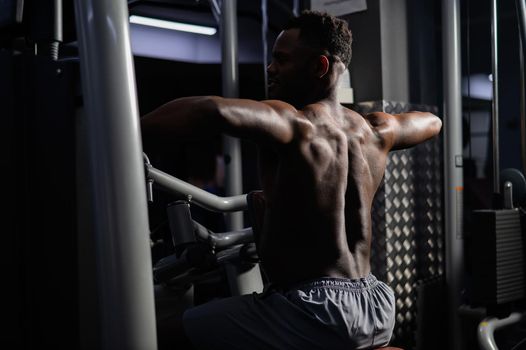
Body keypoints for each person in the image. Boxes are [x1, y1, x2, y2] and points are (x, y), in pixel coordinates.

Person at [141, 10, 442, 350]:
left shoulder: (296, 124)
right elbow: (432, 122)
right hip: (375, 303)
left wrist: (123, 129)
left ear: (320, 67)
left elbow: (210, 110)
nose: (271, 69)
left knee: (157, 335)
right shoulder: (374, 132)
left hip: (314, 312)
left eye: (281, 60)